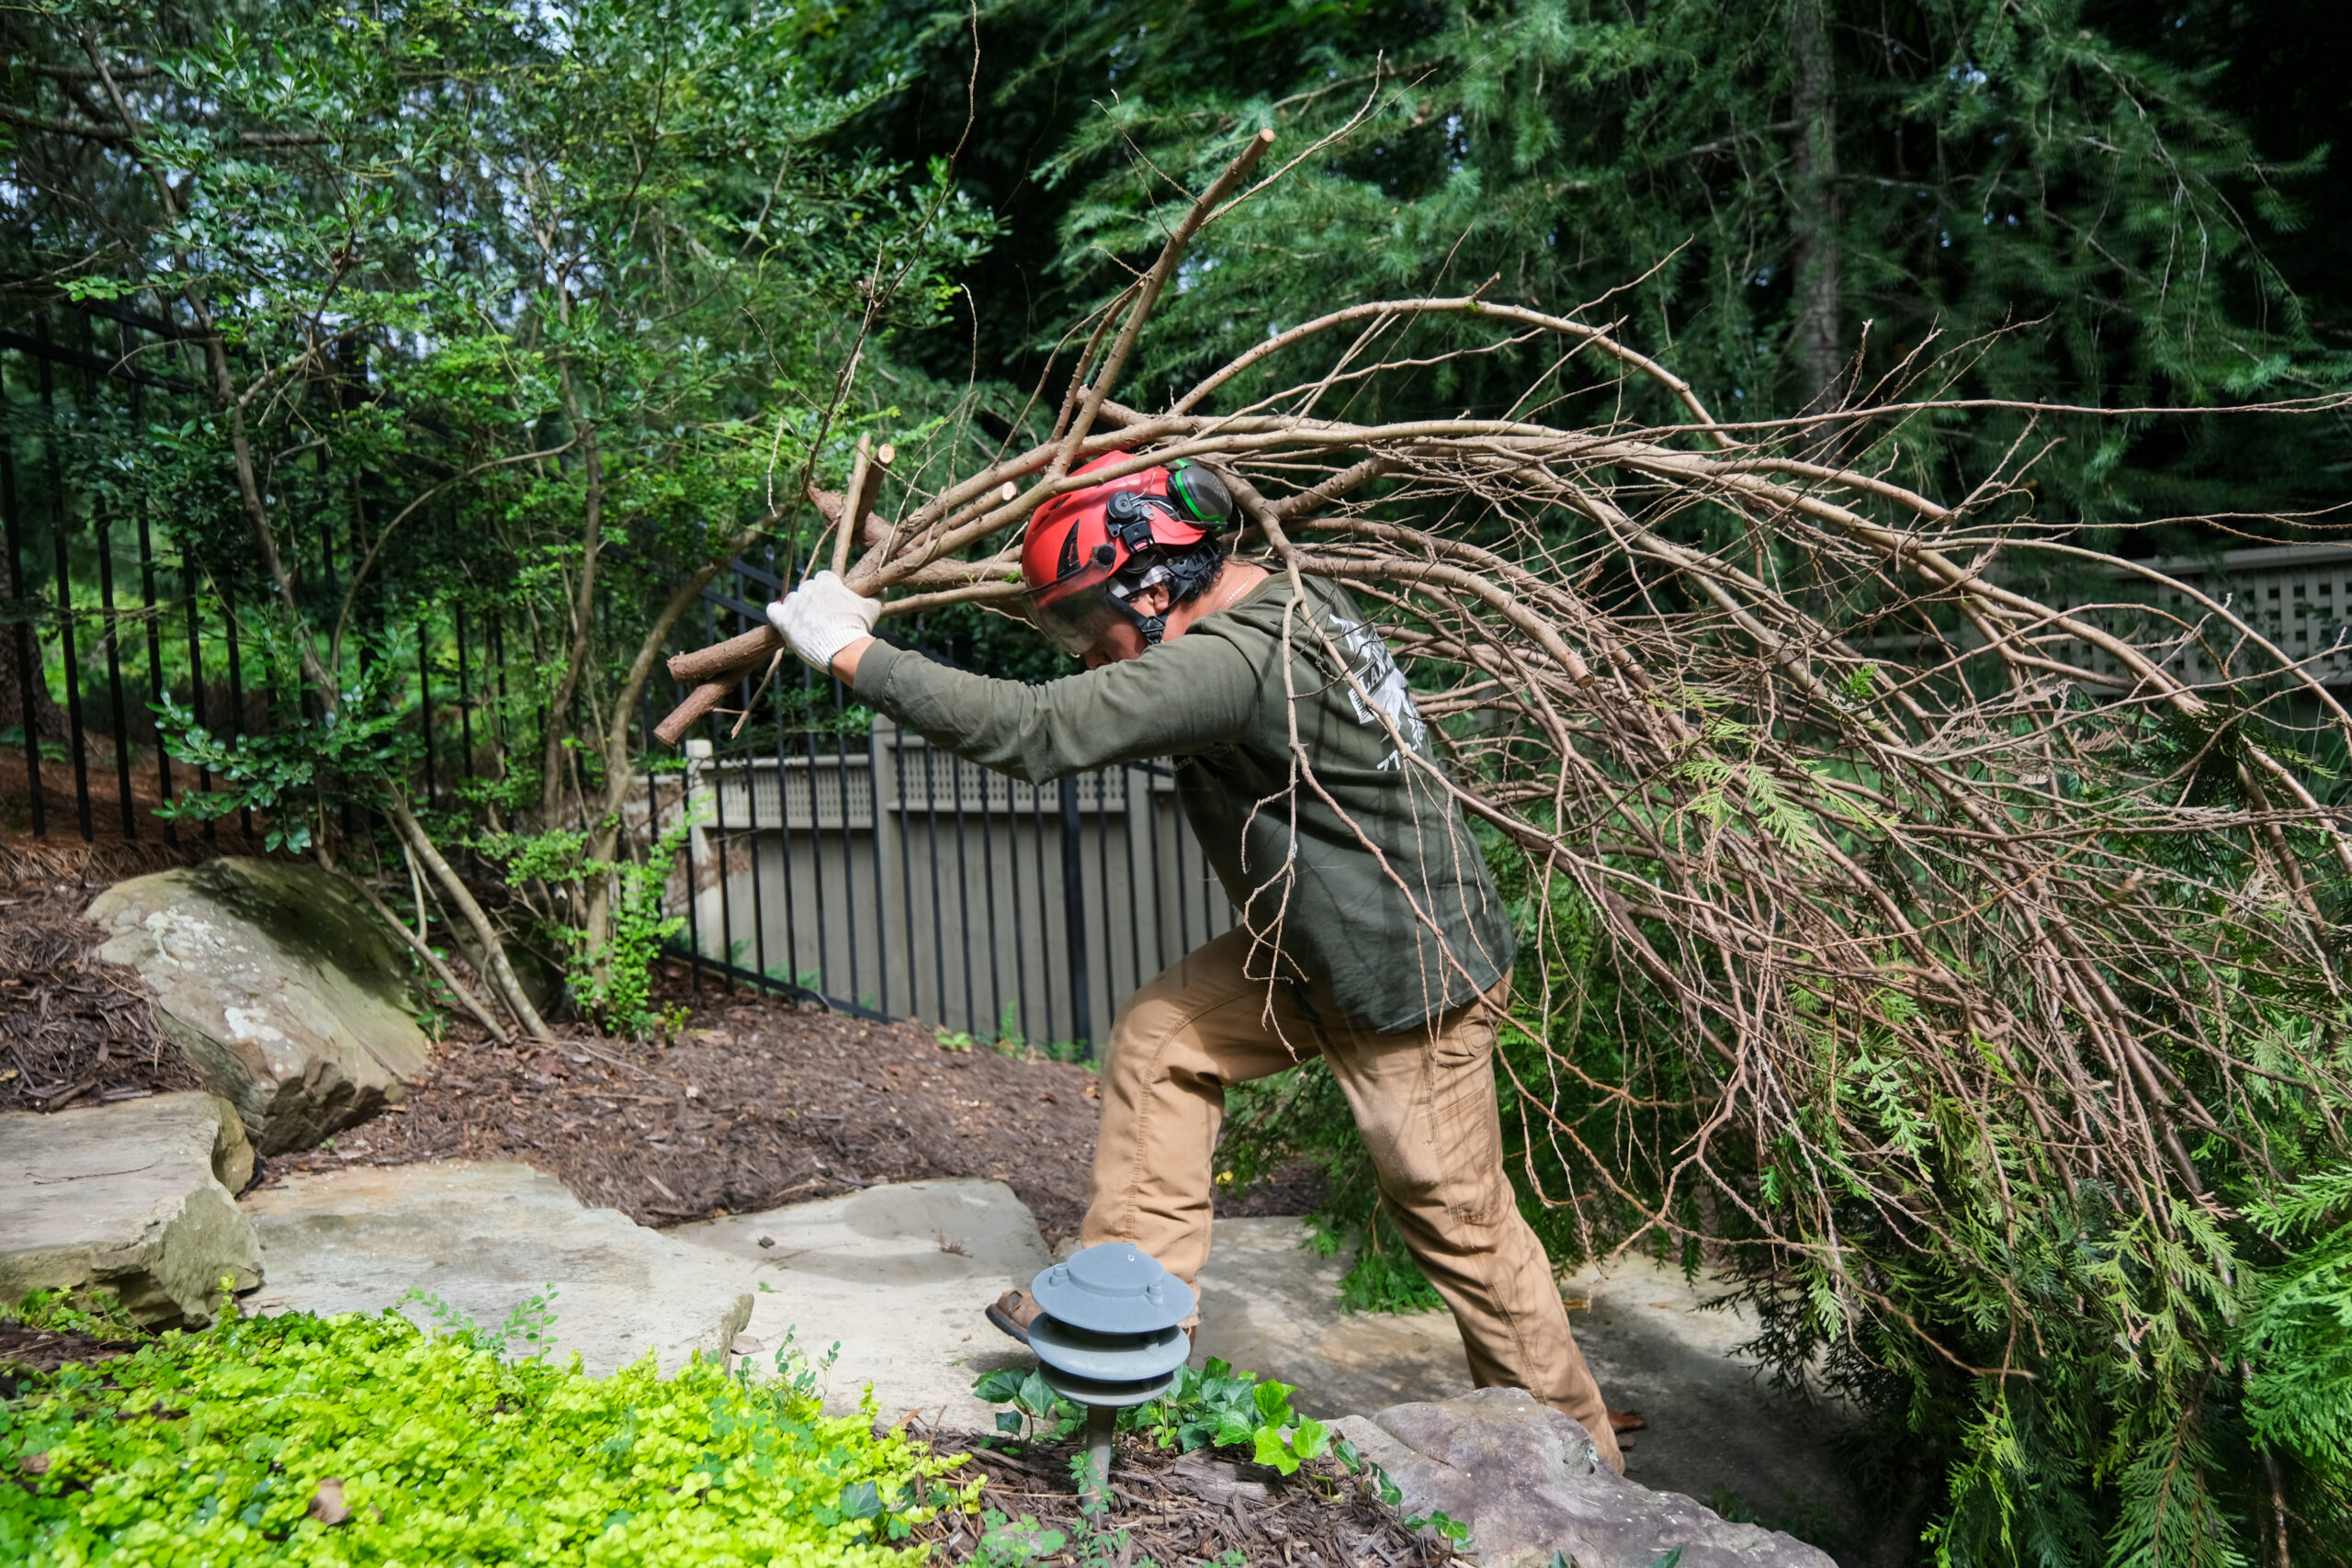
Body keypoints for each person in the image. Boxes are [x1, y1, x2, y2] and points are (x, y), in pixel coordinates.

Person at [765, 453, 1626, 1472]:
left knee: (1460, 1226)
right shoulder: (1284, 607)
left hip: (1405, 981)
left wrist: (848, 651)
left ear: (1156, 580)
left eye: (1093, 624)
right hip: (1315, 943)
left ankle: (1582, 1473)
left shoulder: (1235, 662)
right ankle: (1126, 1317)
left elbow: (1037, 733)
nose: (1090, 654)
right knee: (1164, 1035)